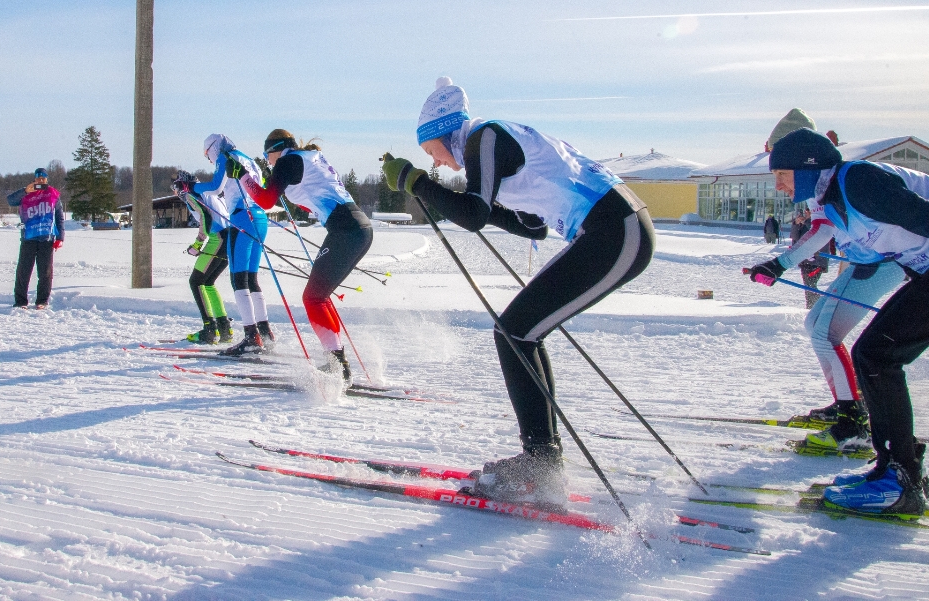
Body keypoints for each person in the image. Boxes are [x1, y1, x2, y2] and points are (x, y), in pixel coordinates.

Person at [381, 77, 654, 503]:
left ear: (442, 132)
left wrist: (416, 183)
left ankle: (540, 462)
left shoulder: (483, 137)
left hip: (615, 231)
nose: (435, 162)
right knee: (519, 332)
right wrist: (473, 204)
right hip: (616, 229)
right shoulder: (491, 143)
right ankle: (543, 458)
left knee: (513, 332)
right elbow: (532, 225)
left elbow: (471, 215)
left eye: (429, 152)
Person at [766, 128, 929, 515]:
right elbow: (908, 248)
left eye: (783, 175)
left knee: (877, 356)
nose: (779, 186)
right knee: (875, 355)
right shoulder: (837, 198)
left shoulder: (859, 181)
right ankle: (893, 469)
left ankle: (900, 480)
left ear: (809, 167)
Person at [237, 129, 373, 382]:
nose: (268, 162)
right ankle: (337, 362)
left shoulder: (288, 161)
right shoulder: (307, 157)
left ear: (277, 149)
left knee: (313, 298)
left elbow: (265, 201)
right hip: (358, 229)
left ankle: (338, 366)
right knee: (319, 296)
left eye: (268, 156)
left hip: (346, 230)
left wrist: (244, 177)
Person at [193, 135, 278, 356]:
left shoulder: (224, 156)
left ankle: (251, 337)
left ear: (212, 149)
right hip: (260, 218)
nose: (210, 161)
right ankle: (265, 332)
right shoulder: (247, 158)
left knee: (238, 279)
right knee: (251, 278)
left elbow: (214, 187)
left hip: (242, 218)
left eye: (207, 156)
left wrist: (192, 187)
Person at [173, 171, 234, 344]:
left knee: (195, 281)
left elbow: (206, 219)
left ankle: (209, 330)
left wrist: (198, 244)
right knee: (207, 282)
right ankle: (223, 328)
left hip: (218, 239)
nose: (175, 192)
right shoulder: (207, 193)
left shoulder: (191, 195)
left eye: (175, 187)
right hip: (228, 239)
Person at [6, 167, 65, 309]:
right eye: (38, 178)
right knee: (23, 271)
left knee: (45, 272)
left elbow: (59, 217)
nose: (41, 180)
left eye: (43, 178)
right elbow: (10, 200)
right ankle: (20, 301)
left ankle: (42, 300)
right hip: (29, 238)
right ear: (34, 179)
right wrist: (25, 191)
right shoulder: (27, 192)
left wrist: (60, 237)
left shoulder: (52, 195)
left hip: (46, 238)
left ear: (47, 179)